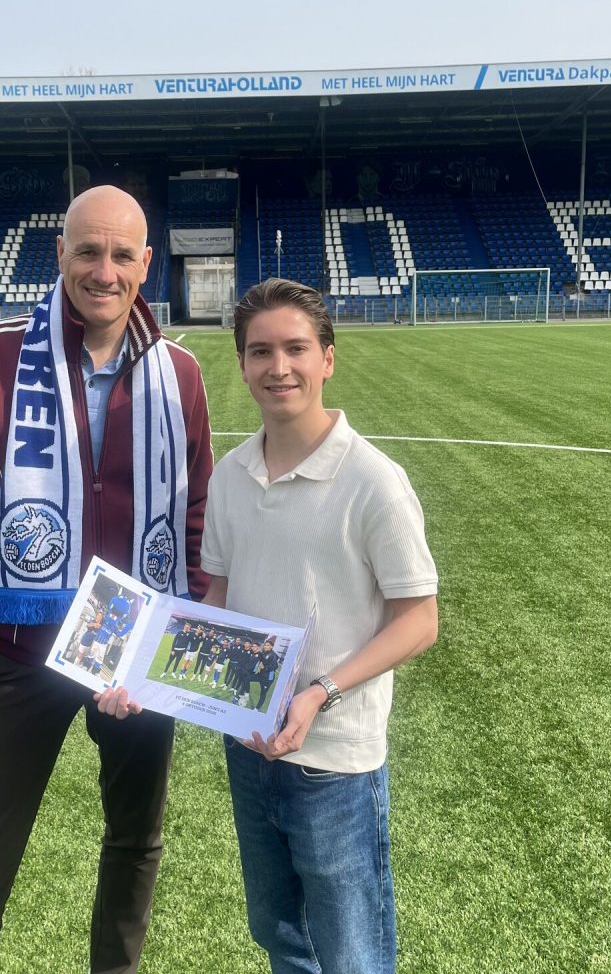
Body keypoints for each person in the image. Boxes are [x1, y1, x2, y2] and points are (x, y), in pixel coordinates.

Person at [0, 184, 213, 974]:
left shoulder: (179, 373)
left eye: (121, 255)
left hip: (136, 655)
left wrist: (188, 640)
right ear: (60, 254)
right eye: (88, 251)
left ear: (146, 263)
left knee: (136, 844)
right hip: (20, 652)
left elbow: (199, 515)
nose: (104, 271)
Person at [201, 278, 439, 974]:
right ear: (242, 364)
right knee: (280, 936)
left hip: (335, 761)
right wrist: (152, 673)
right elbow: (218, 593)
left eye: (296, 349)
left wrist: (319, 692)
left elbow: (419, 620)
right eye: (261, 351)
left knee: (352, 952)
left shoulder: (373, 480)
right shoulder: (230, 476)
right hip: (250, 744)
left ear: (327, 358)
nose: (279, 367)